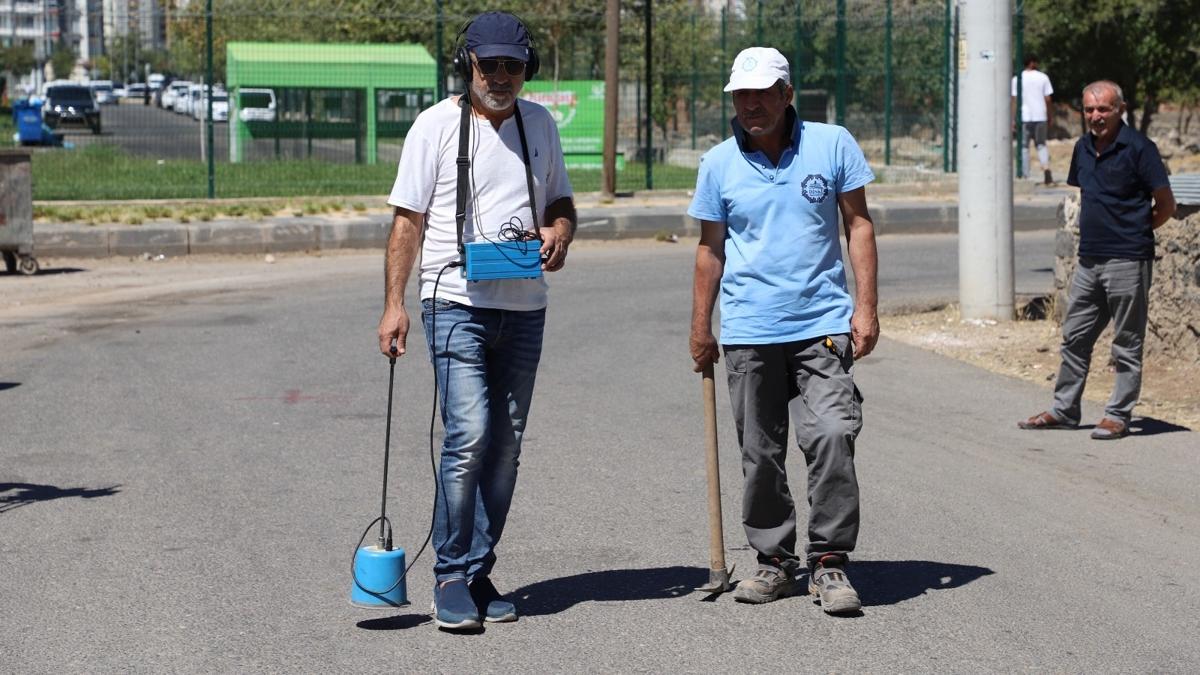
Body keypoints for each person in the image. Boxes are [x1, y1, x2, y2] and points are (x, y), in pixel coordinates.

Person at [377, 11, 576, 630]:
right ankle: (449, 574)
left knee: (507, 444)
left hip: (524, 306)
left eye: (512, 66)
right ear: (468, 64)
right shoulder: (433, 126)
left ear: (527, 70)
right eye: (488, 64)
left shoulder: (538, 123)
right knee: (467, 434)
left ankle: (477, 566)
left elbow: (561, 201)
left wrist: (560, 232)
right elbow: (407, 222)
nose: (500, 76)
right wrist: (394, 304)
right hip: (452, 301)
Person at [688, 47, 879, 615]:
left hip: (821, 324)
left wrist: (865, 307)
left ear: (786, 94)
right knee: (760, 455)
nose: (750, 105)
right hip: (749, 328)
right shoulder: (717, 164)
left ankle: (829, 563)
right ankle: (774, 561)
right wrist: (702, 327)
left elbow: (859, 225)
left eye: (761, 93)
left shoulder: (833, 143)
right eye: (740, 95)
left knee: (831, 435)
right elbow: (709, 250)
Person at [1019, 80, 1176, 440]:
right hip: (1089, 260)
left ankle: (1118, 415)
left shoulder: (1141, 148)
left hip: (1127, 259)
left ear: (1119, 109)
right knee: (1074, 336)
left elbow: (1165, 205)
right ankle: (1064, 409)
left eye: (1103, 109)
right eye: (1089, 109)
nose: (1095, 116)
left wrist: (1135, 231)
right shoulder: (1082, 148)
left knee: (1126, 342)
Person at [1011, 54, 1055, 184]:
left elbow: (1014, 100)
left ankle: (1026, 174)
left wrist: (1013, 118)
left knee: (1024, 146)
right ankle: (1046, 167)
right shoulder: (1043, 77)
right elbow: (1048, 99)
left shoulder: (1016, 79)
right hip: (1040, 116)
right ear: (1032, 63)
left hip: (1024, 117)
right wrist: (1049, 115)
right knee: (1041, 144)